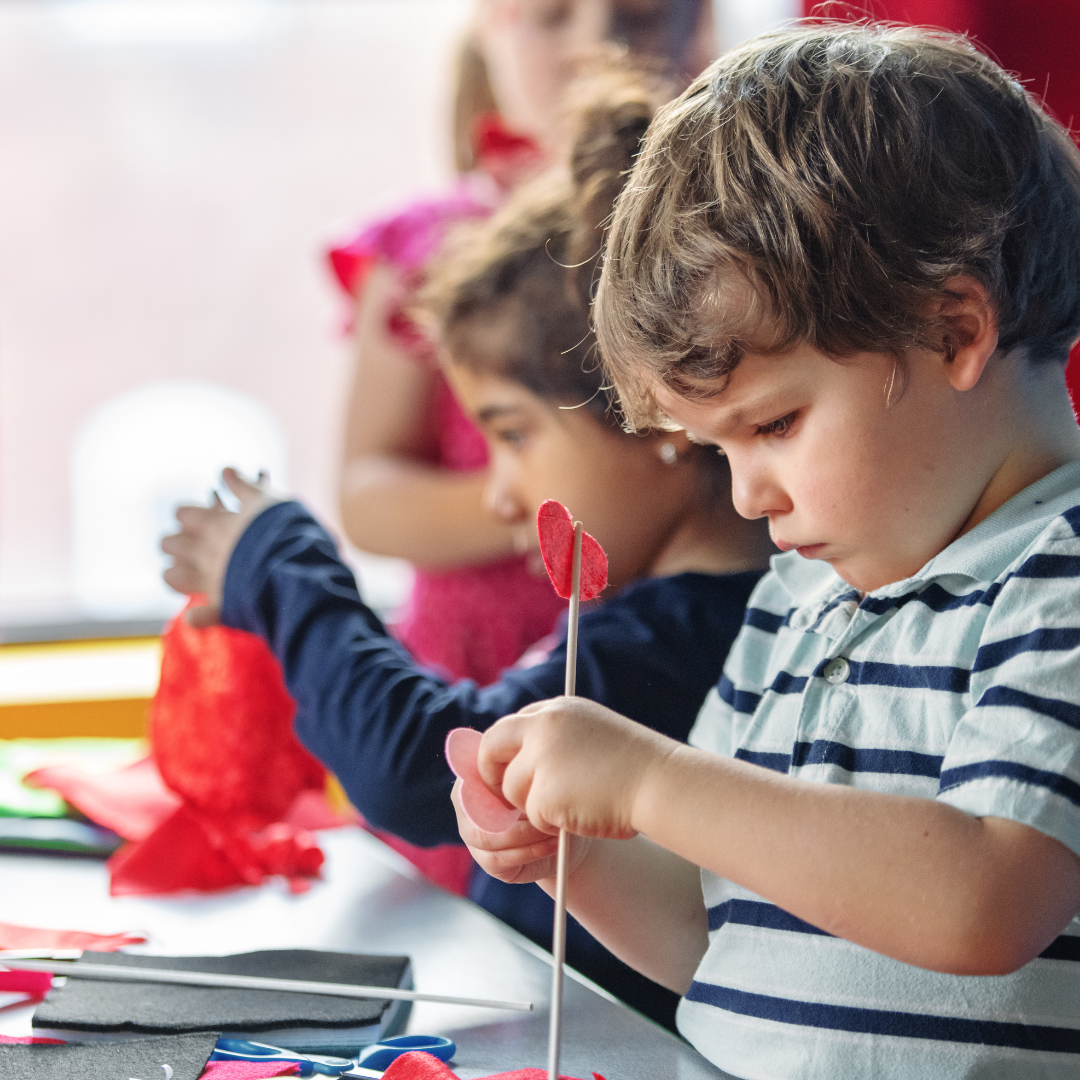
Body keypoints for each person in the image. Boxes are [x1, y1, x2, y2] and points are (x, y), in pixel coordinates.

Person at [454, 23, 1080, 1079]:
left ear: (951, 331)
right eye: (716, 446)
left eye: (776, 424)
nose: (747, 493)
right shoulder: (800, 595)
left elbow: (982, 901)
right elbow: (715, 942)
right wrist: (584, 860)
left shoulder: (1056, 580)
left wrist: (650, 780)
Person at [160, 71, 772, 1029]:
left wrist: (276, 564)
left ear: (656, 412)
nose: (497, 494)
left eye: (513, 433)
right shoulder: (660, 619)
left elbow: (422, 766)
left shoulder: (689, 635)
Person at [332, 0, 716, 690]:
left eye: (645, 17)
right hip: (471, 673)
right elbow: (365, 496)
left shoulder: (710, 239)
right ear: (489, 26)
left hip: (658, 658)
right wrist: (556, 496)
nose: (598, 45)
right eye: (552, 16)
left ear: (702, 27)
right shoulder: (423, 250)